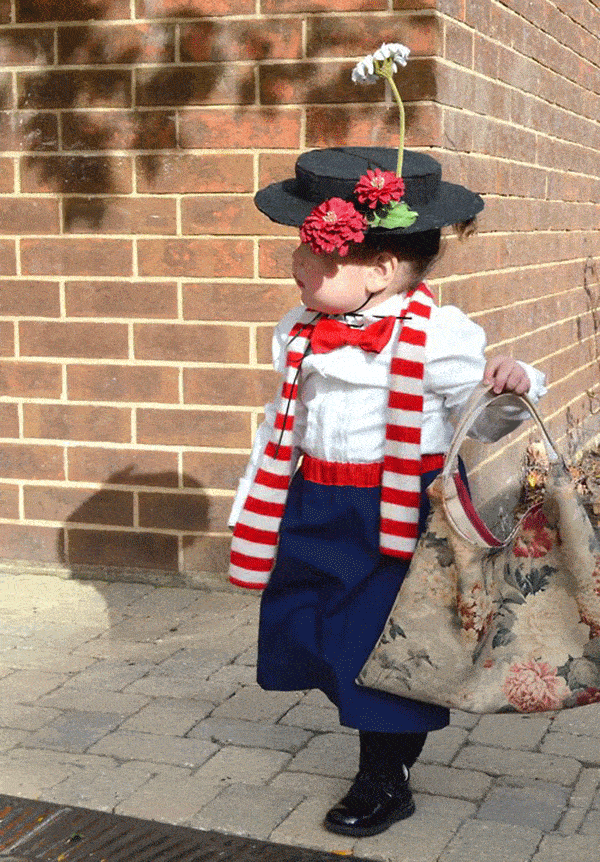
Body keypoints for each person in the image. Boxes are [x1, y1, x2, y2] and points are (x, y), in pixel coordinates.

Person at [227, 144, 546, 839]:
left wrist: (511, 383)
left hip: (397, 516)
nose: (298, 266)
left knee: (386, 650)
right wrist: (256, 502)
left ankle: (385, 776)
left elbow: (481, 412)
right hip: (318, 505)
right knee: (317, 630)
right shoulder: (300, 331)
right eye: (299, 251)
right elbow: (282, 425)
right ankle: (373, 739)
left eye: (318, 255)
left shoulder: (439, 335)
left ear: (379, 269)